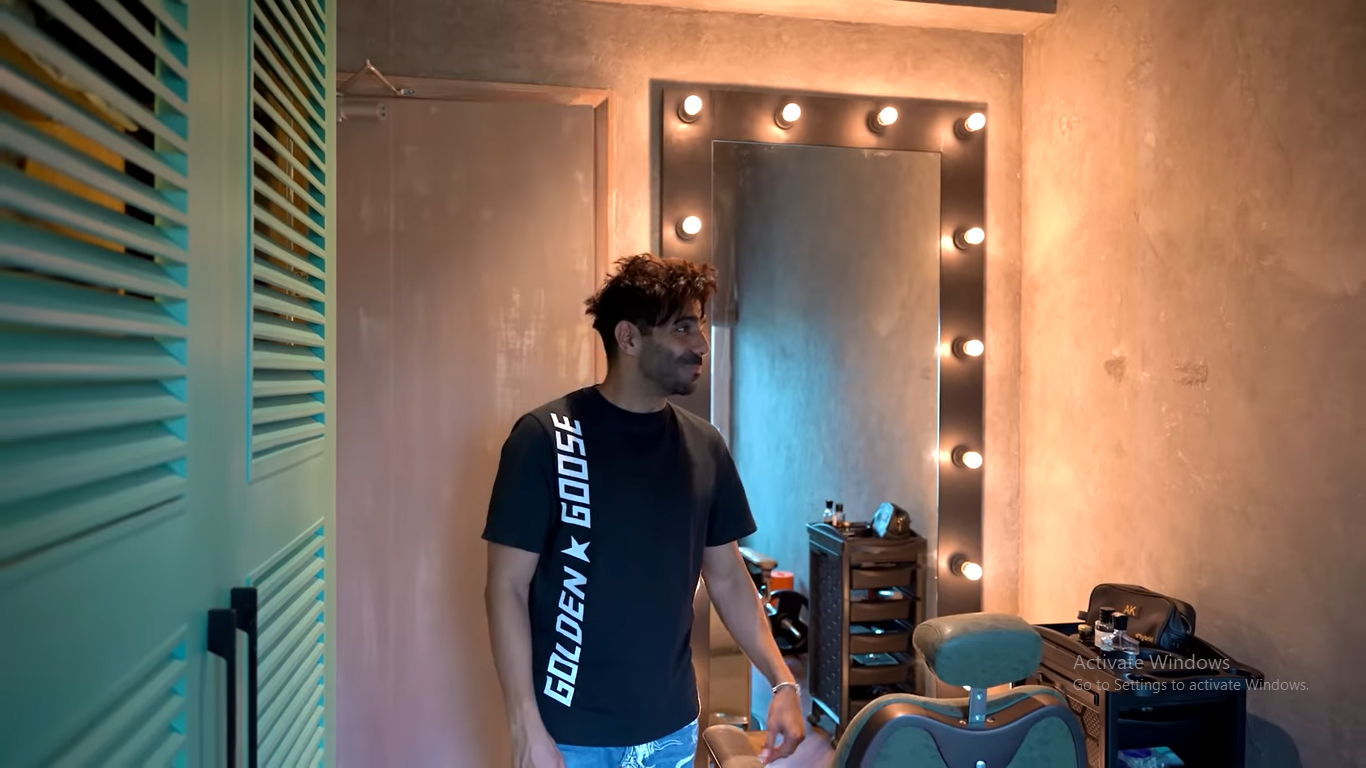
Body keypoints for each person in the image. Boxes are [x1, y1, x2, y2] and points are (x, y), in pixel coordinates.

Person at [483, 253, 806, 768]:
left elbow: (727, 578)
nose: (701, 344)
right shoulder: (545, 438)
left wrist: (782, 681)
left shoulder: (704, 446)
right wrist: (525, 727)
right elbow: (507, 588)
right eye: (682, 328)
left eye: (699, 326)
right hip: (568, 735)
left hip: (670, 731)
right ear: (628, 338)